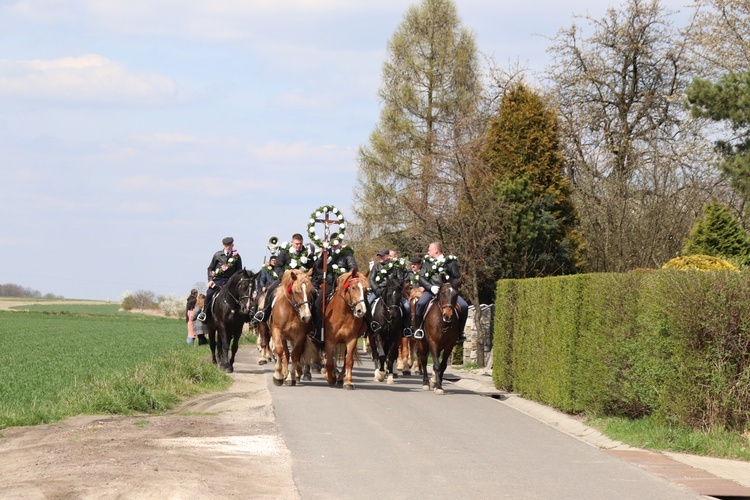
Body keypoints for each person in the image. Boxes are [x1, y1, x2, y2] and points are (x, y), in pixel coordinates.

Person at [413, 241, 469, 341]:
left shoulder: (450, 263)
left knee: (464, 306)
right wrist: (430, 287)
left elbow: (457, 279)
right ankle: (418, 329)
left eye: (429, 250)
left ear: (436, 251)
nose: (428, 252)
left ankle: (460, 332)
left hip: (447, 293)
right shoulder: (427, 263)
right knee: (420, 303)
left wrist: (449, 286)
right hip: (431, 291)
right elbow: (420, 277)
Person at [252, 233, 314, 324]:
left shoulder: (306, 253)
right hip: (287, 280)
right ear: (292, 242)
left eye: (300, 244)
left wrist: (307, 276)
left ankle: (315, 320)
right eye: (296, 244)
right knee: (271, 289)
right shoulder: (285, 253)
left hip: (302, 282)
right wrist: (284, 278)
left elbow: (312, 266)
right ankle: (265, 312)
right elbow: (278, 267)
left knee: (313, 293)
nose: (298, 246)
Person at [310, 232, 358, 340]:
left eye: (337, 242)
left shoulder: (347, 253)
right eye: (333, 243)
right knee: (317, 303)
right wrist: (323, 254)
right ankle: (318, 330)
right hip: (330, 283)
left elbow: (353, 268)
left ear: (340, 242)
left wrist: (345, 278)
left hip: (344, 284)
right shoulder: (327, 253)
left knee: (361, 300)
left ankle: (368, 326)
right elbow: (317, 266)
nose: (335, 245)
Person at [367, 248, 412, 337]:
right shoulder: (376, 266)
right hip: (378, 290)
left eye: (382, 256)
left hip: (392, 292)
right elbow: (371, 279)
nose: (380, 257)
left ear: (388, 256)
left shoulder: (396, 267)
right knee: (367, 303)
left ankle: (406, 328)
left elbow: (400, 279)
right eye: (379, 256)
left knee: (406, 306)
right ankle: (367, 328)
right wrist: (377, 289)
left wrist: (394, 289)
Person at [197, 237, 243, 322]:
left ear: (232, 245)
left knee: (242, 294)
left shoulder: (237, 256)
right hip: (219, 280)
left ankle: (244, 315)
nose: (228, 247)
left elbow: (239, 271)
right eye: (226, 245)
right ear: (223, 245)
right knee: (209, 293)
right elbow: (210, 268)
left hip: (231, 281)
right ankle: (204, 312)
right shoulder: (217, 255)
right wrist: (210, 280)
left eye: (230, 245)